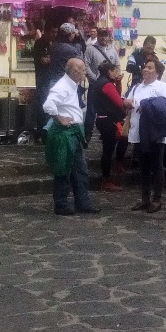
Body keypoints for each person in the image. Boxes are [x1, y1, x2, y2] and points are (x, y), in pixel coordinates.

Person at [42, 58, 101, 217]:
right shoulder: (62, 86)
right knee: (63, 169)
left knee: (79, 170)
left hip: (73, 132)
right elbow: (48, 104)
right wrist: (58, 118)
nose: (85, 72)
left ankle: (83, 203)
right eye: (83, 70)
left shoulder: (71, 85)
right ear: (74, 71)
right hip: (64, 134)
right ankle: (61, 204)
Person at [125, 59, 166, 214]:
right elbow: (126, 102)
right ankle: (145, 198)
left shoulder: (162, 87)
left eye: (150, 67)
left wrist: (146, 104)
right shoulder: (137, 87)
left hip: (154, 132)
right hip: (139, 132)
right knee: (144, 166)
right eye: (145, 67)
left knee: (157, 165)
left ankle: (157, 198)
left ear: (157, 72)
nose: (145, 69)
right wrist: (126, 102)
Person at [93, 61, 126, 192]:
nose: (117, 73)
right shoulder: (107, 84)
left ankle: (113, 171)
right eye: (115, 71)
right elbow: (118, 101)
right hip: (108, 120)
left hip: (101, 119)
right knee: (108, 151)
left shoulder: (98, 82)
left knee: (112, 145)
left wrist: (118, 82)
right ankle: (106, 180)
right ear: (109, 72)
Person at [84, 29, 120, 140]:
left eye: (105, 35)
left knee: (107, 111)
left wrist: (116, 77)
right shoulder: (90, 49)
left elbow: (117, 66)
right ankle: (87, 133)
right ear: (97, 36)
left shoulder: (113, 50)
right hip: (94, 87)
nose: (103, 38)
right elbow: (86, 65)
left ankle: (106, 132)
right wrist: (95, 79)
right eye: (101, 35)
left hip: (109, 87)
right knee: (91, 111)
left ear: (109, 37)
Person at [33, 26, 58, 142]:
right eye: (52, 32)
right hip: (43, 79)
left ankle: (48, 131)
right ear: (46, 31)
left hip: (52, 78)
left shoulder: (53, 44)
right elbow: (43, 61)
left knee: (51, 104)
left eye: (56, 32)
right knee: (43, 105)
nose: (54, 34)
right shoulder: (40, 44)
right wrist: (53, 58)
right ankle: (41, 132)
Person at [48, 23, 84, 88]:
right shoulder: (71, 50)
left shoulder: (53, 46)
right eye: (73, 33)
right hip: (66, 82)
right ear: (71, 34)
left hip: (53, 80)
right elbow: (79, 64)